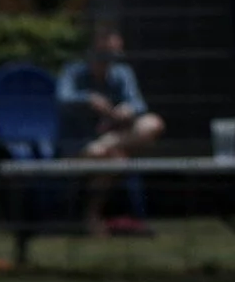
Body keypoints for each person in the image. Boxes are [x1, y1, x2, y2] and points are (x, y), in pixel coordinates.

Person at [55, 26, 163, 235]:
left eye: (113, 54)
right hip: (80, 147)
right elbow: (62, 98)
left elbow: (139, 104)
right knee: (114, 159)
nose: (108, 60)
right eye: (104, 54)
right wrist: (88, 99)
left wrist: (127, 109)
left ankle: (107, 145)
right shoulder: (73, 72)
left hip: (113, 138)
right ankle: (92, 216)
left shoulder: (122, 73)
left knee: (153, 123)